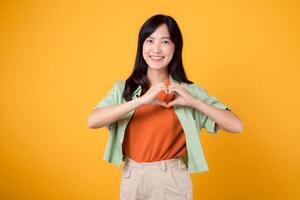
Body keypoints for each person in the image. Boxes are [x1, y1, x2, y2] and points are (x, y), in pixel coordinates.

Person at [88, 14, 243, 200]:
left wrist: (195, 102)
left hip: (170, 178)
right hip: (132, 176)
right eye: (150, 40)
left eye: (165, 42)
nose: (156, 49)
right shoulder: (124, 89)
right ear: (141, 46)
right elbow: (92, 121)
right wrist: (140, 101)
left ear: (175, 47)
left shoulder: (187, 92)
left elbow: (237, 126)